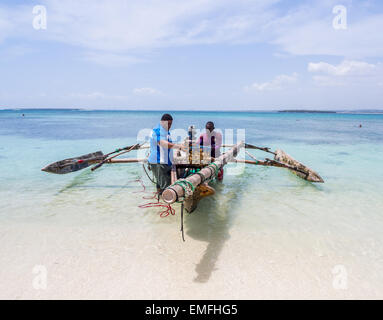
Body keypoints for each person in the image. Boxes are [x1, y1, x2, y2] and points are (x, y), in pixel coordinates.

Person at [148, 114, 184, 193]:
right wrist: (179, 146)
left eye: (171, 124)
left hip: (165, 162)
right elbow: (163, 143)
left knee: (161, 183)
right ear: (162, 122)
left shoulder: (166, 131)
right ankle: (165, 203)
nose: (170, 126)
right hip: (158, 162)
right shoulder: (157, 130)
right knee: (166, 188)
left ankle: (160, 200)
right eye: (168, 124)